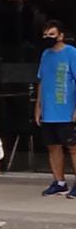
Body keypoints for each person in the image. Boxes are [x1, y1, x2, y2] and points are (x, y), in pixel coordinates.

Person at [35, 20, 76, 196]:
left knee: (73, 147)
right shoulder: (45, 55)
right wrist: (38, 107)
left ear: (61, 36)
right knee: (53, 146)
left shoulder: (71, 53)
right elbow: (41, 81)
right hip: (49, 111)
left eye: (52, 34)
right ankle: (59, 181)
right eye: (45, 35)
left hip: (67, 110)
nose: (48, 38)